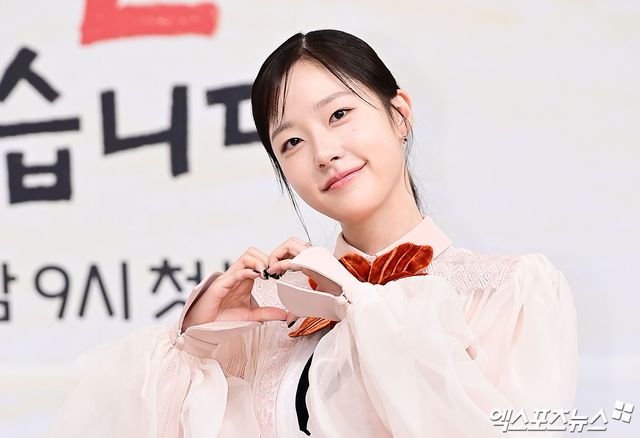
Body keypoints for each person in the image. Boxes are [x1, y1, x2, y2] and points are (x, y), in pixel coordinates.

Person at [49, 30, 577, 438]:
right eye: (292, 142)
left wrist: (360, 302)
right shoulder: (278, 313)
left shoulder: (507, 293)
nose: (324, 152)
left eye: (339, 114)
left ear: (400, 114)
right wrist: (199, 346)